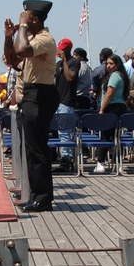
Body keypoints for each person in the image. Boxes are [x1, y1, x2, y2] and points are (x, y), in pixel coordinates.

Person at [4, 0, 58, 213]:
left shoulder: (45, 39)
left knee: (37, 149)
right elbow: (12, 58)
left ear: (35, 19)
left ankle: (42, 198)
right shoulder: (31, 38)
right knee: (32, 148)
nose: (22, 20)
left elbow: (24, 50)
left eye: (26, 16)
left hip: (40, 94)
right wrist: (9, 36)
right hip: (31, 93)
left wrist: (22, 27)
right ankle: (37, 194)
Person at [94, 54, 130, 173]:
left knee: (105, 135)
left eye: (111, 64)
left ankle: (100, 163)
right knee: (116, 137)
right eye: (107, 63)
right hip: (121, 107)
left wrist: (102, 109)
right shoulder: (123, 76)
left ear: (117, 64)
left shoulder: (114, 76)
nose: (108, 66)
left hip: (111, 107)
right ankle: (117, 162)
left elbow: (109, 93)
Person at [53, 37, 79, 173]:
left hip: (67, 101)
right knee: (59, 131)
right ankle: (63, 156)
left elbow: (70, 77)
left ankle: (67, 160)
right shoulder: (57, 65)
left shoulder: (74, 63)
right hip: (57, 100)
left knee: (64, 131)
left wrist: (64, 60)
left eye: (62, 50)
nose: (60, 52)